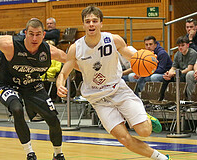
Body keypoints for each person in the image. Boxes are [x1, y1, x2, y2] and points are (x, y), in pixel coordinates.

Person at [56, 5, 171, 160]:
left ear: (101, 23)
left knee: (144, 131)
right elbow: (63, 73)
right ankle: (161, 158)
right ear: (83, 25)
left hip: (119, 90)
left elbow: (133, 56)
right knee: (124, 139)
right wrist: (59, 85)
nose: (91, 24)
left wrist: (147, 59)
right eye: (87, 21)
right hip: (98, 99)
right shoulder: (76, 48)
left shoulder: (113, 40)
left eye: (95, 21)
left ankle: (146, 117)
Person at [0, 18, 66, 160]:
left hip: (32, 84)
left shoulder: (49, 51)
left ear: (43, 35)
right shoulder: (10, 44)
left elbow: (69, 60)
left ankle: (58, 154)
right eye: (31, 34)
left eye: (38, 34)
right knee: (17, 109)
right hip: (7, 85)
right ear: (25, 33)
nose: (34, 38)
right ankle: (29, 152)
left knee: (53, 119)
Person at [160, 36, 197, 100]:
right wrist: (169, 73)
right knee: (165, 78)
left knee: (181, 77)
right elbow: (173, 67)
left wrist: (175, 73)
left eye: (182, 45)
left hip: (185, 73)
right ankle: (163, 99)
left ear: (187, 45)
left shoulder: (193, 53)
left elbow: (189, 68)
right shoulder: (177, 54)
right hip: (178, 73)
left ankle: (180, 99)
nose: (180, 47)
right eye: (179, 46)